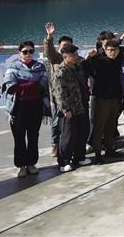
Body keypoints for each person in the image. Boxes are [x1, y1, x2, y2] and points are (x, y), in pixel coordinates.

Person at [3, 42, 49, 177]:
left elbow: (43, 85)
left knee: (33, 137)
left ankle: (31, 163)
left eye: (31, 51)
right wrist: (32, 84)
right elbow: (10, 86)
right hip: (18, 107)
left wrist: (22, 85)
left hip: (35, 107)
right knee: (19, 138)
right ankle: (21, 165)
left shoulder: (40, 67)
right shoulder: (13, 67)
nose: (28, 54)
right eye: (25, 51)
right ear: (19, 53)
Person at [81, 38, 124, 163]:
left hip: (114, 98)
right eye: (110, 50)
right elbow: (84, 67)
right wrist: (89, 57)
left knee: (111, 125)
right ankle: (98, 153)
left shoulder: (119, 60)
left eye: (115, 50)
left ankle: (110, 150)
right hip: (101, 99)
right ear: (105, 50)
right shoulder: (98, 60)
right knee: (99, 127)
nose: (112, 52)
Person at [51, 43, 91, 172]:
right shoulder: (60, 72)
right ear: (65, 57)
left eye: (76, 54)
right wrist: (65, 109)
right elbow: (59, 94)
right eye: (72, 55)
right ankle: (63, 162)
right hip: (69, 109)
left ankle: (79, 157)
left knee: (82, 133)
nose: (76, 57)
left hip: (81, 105)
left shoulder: (78, 67)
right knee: (68, 136)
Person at [43, 22, 73, 157]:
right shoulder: (56, 57)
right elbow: (48, 51)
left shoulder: (75, 58)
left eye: (68, 45)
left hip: (72, 97)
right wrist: (49, 37)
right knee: (56, 122)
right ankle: (55, 144)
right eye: (63, 46)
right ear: (59, 47)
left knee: (71, 122)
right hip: (57, 97)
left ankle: (69, 144)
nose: (65, 48)